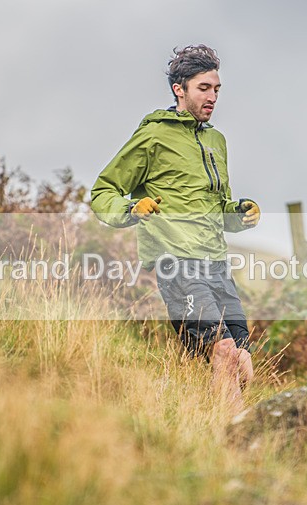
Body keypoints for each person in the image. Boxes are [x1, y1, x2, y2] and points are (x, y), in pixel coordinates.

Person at [90, 44, 261, 409]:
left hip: (216, 265)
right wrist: (133, 209)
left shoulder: (216, 141)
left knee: (244, 361)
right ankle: (229, 431)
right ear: (179, 89)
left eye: (217, 89)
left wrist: (241, 213)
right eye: (204, 88)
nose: (212, 97)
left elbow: (219, 208)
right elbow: (103, 192)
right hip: (176, 264)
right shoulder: (153, 137)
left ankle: (203, 416)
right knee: (224, 352)